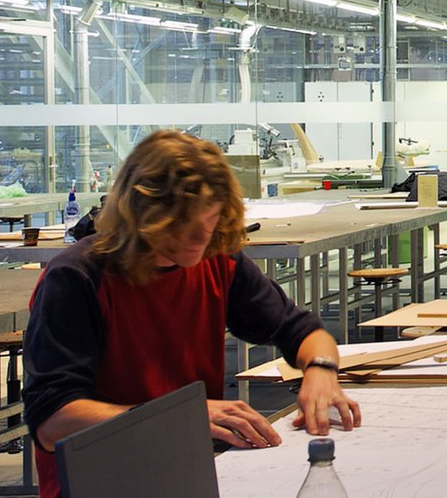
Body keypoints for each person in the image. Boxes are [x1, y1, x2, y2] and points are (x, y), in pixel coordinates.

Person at [23, 131, 359, 498]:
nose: (202, 235)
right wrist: (184, 420)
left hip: (190, 472)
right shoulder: (77, 278)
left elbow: (301, 331)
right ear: (144, 213)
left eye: (211, 219)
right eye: (185, 224)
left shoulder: (216, 261)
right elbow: (53, 421)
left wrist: (321, 370)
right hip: (103, 480)